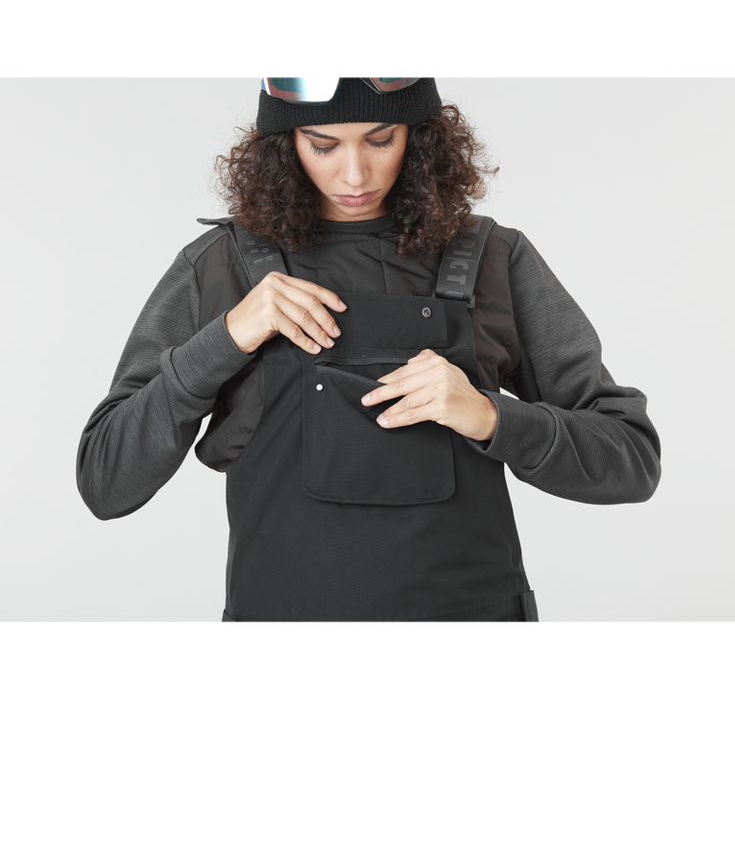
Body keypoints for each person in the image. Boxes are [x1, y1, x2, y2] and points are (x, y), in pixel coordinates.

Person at [76, 74, 662, 626]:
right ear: (285, 144)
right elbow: (106, 480)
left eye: (380, 140)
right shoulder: (218, 267)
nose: (355, 175)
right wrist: (226, 337)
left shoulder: (493, 259)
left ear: (420, 136)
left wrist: (490, 417)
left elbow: (632, 459)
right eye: (323, 144)